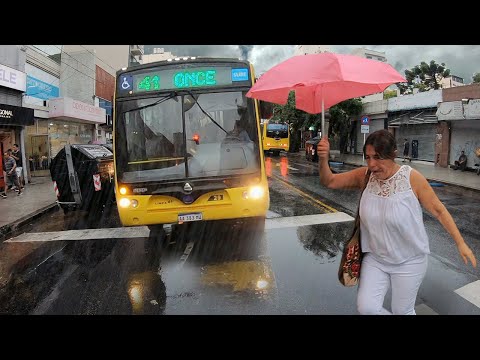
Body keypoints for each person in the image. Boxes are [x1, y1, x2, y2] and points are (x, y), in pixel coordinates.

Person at [316, 129, 476, 315]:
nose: (372, 164)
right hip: (375, 259)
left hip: (409, 261)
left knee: (402, 311)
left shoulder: (411, 178)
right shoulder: (365, 176)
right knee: (367, 308)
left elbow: (439, 211)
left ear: (393, 155)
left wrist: (461, 243)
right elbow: (329, 181)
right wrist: (322, 158)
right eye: (367, 157)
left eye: (377, 157)